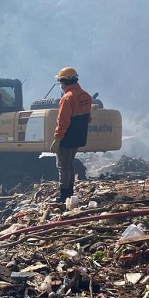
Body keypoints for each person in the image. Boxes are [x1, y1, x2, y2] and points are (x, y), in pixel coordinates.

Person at [49, 67, 92, 203]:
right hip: (79, 136)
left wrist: (57, 139)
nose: (61, 85)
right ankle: (70, 192)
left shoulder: (67, 98)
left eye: (61, 82)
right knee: (69, 164)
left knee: (63, 166)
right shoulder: (86, 96)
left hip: (67, 137)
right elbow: (88, 118)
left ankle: (64, 194)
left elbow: (63, 121)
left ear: (65, 81)